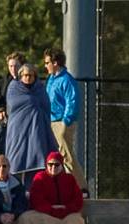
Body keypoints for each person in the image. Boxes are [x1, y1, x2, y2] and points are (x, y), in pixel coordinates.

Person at [7, 151, 84, 224]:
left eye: (56, 165)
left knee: (75, 220)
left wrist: (65, 209)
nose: (53, 167)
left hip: (65, 212)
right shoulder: (40, 177)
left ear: (62, 165)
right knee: (32, 220)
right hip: (46, 212)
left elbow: (77, 200)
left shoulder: (70, 179)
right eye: (50, 164)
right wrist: (52, 210)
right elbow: (36, 200)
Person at [5, 64, 57, 189]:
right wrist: (31, 102)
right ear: (20, 76)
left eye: (31, 75)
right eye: (25, 75)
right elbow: (13, 104)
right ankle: (14, 192)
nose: (28, 78)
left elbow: (45, 105)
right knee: (16, 161)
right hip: (18, 132)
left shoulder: (40, 89)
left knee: (36, 162)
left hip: (37, 130)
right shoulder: (13, 88)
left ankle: (32, 191)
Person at [44, 48, 87, 192]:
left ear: (55, 63)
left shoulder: (66, 80)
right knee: (54, 157)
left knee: (66, 156)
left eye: (48, 62)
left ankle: (81, 188)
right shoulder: (51, 79)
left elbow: (72, 101)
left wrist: (65, 122)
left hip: (61, 122)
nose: (46, 65)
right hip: (51, 120)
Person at [0, 52, 25, 122]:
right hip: (8, 118)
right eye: (11, 66)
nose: (13, 69)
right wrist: (0, 111)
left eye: (16, 66)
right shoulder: (5, 80)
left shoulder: (28, 80)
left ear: (22, 66)